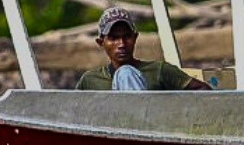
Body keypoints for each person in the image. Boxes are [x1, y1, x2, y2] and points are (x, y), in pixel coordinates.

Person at [76, 7, 210, 90]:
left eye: (127, 37)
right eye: (113, 38)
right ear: (101, 42)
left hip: (151, 131)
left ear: (135, 38)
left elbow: (202, 90)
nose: (121, 44)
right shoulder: (90, 80)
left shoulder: (160, 71)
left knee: (126, 73)